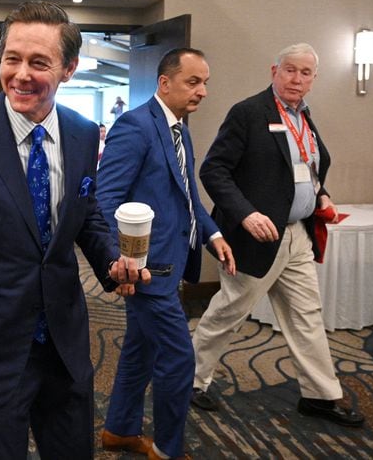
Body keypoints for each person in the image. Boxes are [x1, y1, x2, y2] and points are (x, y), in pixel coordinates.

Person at [0, 1, 149, 459]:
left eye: (38, 62)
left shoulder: (84, 133)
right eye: (12, 59)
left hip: (66, 336)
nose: (21, 74)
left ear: (68, 69)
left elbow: (85, 215)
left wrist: (113, 262)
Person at [191, 43, 365, 428]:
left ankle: (321, 396)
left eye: (305, 73)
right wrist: (246, 213)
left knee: (307, 316)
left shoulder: (304, 117)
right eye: (290, 70)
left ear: (313, 80)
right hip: (256, 237)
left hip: (297, 235)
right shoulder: (250, 113)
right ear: (274, 71)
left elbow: (302, 169)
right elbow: (213, 170)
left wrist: (321, 195)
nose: (296, 79)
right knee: (229, 312)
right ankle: (190, 379)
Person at [96, 48, 235, 459]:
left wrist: (213, 235)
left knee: (142, 349)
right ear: (165, 82)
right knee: (178, 360)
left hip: (172, 262)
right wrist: (121, 266)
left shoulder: (179, 129)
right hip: (146, 271)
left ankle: (119, 430)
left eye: (205, 82)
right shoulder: (135, 126)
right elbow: (105, 203)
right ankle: (168, 449)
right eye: (194, 82)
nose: (203, 91)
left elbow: (188, 194)